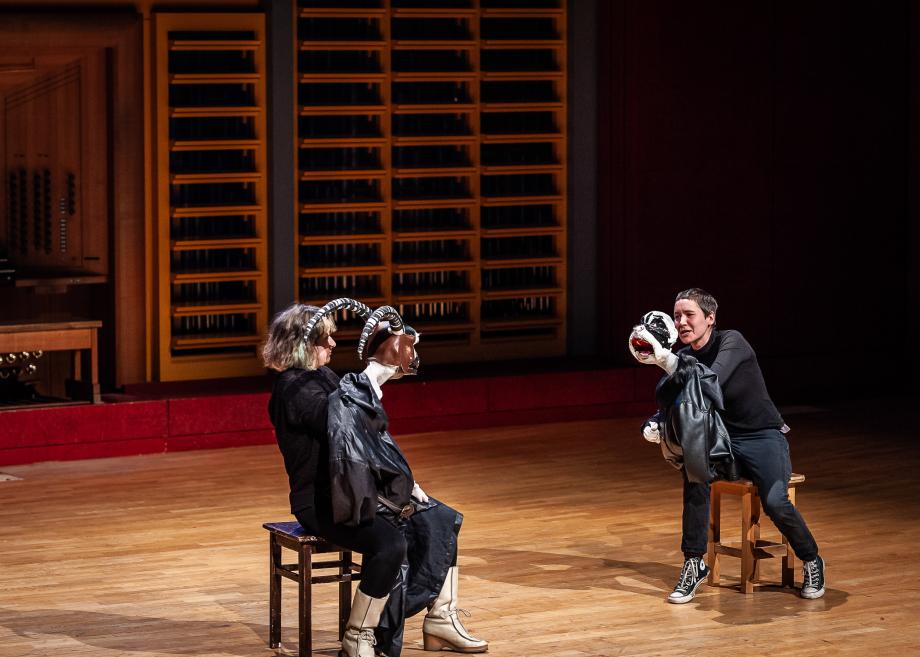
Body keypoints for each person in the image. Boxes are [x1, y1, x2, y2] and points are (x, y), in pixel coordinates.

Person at [263, 299, 488, 657]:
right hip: (323, 501)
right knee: (389, 544)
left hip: (358, 490)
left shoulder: (322, 376)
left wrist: (403, 483)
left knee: (438, 518)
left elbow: (367, 431)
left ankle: (441, 621)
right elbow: (341, 422)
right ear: (302, 344)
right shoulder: (292, 389)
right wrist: (373, 374)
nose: (333, 345)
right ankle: (358, 637)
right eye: (325, 339)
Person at [632, 288, 825, 603]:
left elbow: (710, 381)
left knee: (775, 501)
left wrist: (668, 360)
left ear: (710, 318)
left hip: (762, 435)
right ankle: (694, 563)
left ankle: (812, 559)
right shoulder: (687, 358)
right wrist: (654, 421)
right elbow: (670, 397)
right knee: (695, 475)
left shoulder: (732, 342)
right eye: (677, 316)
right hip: (724, 440)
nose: (681, 322)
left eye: (689, 315)